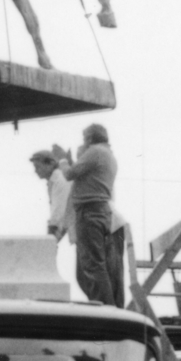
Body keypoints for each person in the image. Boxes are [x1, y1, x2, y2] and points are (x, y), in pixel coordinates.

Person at [62, 123, 120, 305]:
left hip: (89, 212)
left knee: (93, 265)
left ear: (89, 139)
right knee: (95, 266)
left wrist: (62, 161)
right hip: (100, 211)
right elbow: (84, 174)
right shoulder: (108, 155)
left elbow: (69, 174)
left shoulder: (95, 152)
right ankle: (107, 306)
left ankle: (105, 309)